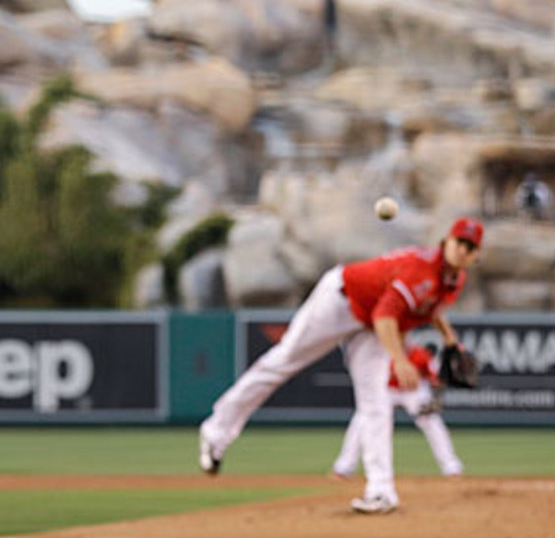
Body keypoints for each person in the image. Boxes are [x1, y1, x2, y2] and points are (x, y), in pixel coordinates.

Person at [198, 217, 483, 514]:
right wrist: (400, 359)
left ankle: (381, 491)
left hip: (370, 323)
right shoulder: (421, 270)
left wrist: (450, 341)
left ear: (476, 256)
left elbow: (429, 306)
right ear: (446, 241)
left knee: (375, 400)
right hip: (340, 301)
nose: (463, 250)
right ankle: (216, 431)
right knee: (281, 363)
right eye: (460, 242)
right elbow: (386, 316)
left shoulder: (453, 279)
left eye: (471, 247)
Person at [330, 344, 463, 480]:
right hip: (386, 389)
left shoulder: (419, 354)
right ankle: (344, 467)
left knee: (431, 421)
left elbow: (436, 380)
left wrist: (446, 372)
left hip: (413, 391)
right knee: (362, 419)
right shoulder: (379, 354)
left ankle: (451, 467)